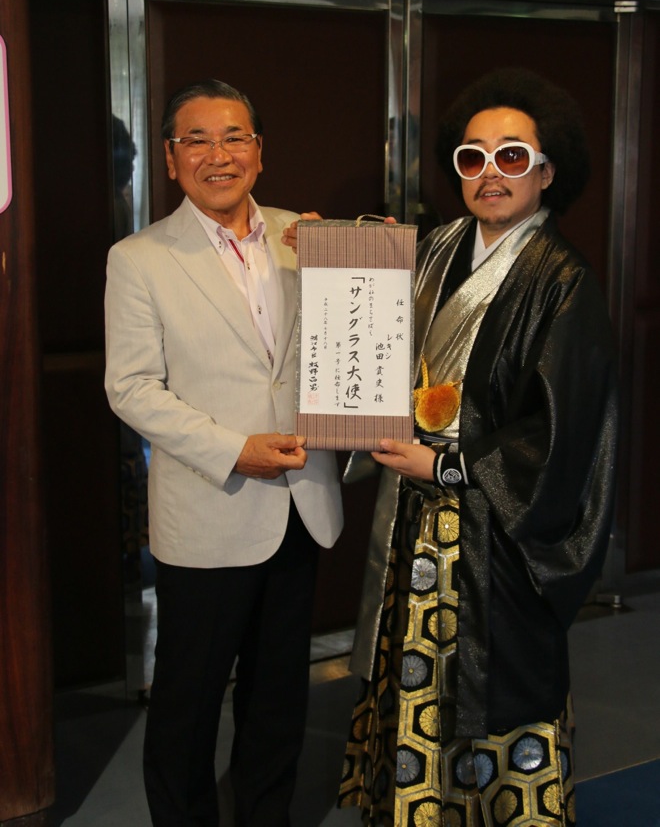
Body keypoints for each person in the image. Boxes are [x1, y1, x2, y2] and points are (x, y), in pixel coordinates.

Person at [336, 68, 619, 826]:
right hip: (413, 515)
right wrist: (347, 262)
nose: (490, 173)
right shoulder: (434, 251)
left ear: (548, 171)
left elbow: (560, 433)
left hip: (495, 533)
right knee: (414, 679)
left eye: (512, 156)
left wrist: (446, 464)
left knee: (495, 697)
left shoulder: (564, 281)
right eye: (473, 157)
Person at [104, 78, 343, 827]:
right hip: (211, 511)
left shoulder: (306, 238)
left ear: (259, 152)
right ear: (171, 159)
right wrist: (235, 450)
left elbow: (357, 338)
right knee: (188, 705)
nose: (219, 155)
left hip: (301, 505)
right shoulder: (139, 258)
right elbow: (131, 389)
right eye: (197, 140)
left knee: (279, 700)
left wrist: (362, 260)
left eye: (235, 137)